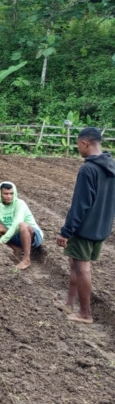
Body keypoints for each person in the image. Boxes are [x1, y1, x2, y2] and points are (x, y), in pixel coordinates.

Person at [57, 127, 115, 324]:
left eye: (77, 145)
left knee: (82, 268)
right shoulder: (111, 165)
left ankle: (85, 314)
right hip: (101, 227)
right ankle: (69, 304)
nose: (77, 149)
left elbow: (80, 204)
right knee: (75, 263)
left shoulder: (88, 169)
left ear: (85, 143)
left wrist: (66, 231)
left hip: (84, 229)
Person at [0, 182, 43, 270]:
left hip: (33, 235)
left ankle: (26, 259)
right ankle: (17, 248)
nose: (9, 196)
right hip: (16, 235)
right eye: (6, 194)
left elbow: (16, 224)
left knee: (22, 225)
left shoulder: (20, 204)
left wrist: (1, 241)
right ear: (0, 194)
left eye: (11, 193)